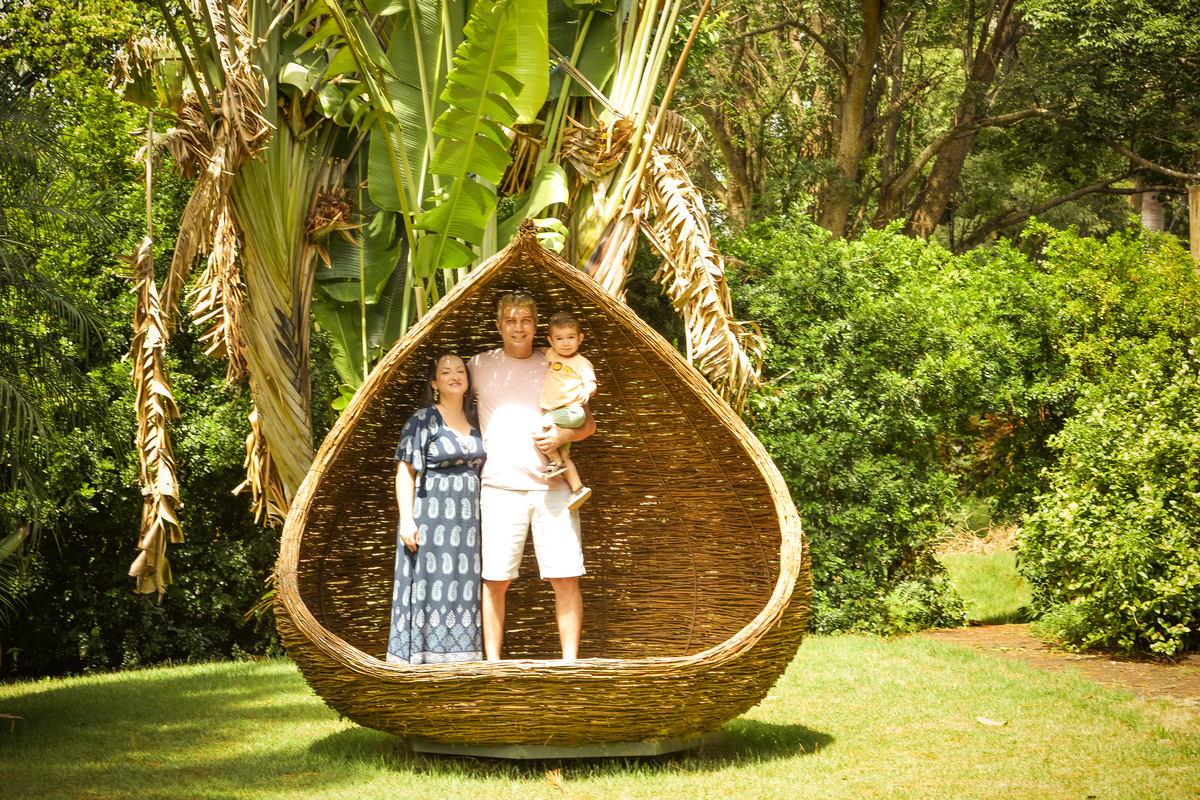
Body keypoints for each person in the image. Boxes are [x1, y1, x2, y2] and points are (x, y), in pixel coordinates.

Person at [468, 293, 596, 661]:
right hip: (499, 487)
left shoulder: (557, 363)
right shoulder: (477, 365)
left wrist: (565, 435)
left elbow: (588, 423)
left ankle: (570, 665)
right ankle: (492, 665)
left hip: (553, 489)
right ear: (498, 326)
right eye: (510, 320)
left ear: (537, 325)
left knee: (566, 576)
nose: (518, 327)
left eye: (525, 319)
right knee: (495, 579)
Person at [387, 351, 486, 665]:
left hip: (469, 524)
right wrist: (406, 520)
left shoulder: (478, 421)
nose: (455, 376)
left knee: (465, 587)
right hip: (432, 519)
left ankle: (462, 663)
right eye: (446, 372)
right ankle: (423, 662)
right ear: (434, 383)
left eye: (460, 371)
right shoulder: (423, 420)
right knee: (431, 589)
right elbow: (405, 471)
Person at [538, 310, 597, 511]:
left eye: (571, 337)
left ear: (580, 339)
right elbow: (540, 349)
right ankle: (577, 488)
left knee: (541, 425)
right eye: (559, 338)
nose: (565, 343)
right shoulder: (551, 353)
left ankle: (555, 463)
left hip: (572, 411)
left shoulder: (581, 362)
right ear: (551, 340)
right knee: (564, 454)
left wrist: (586, 391)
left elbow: (591, 382)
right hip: (561, 415)